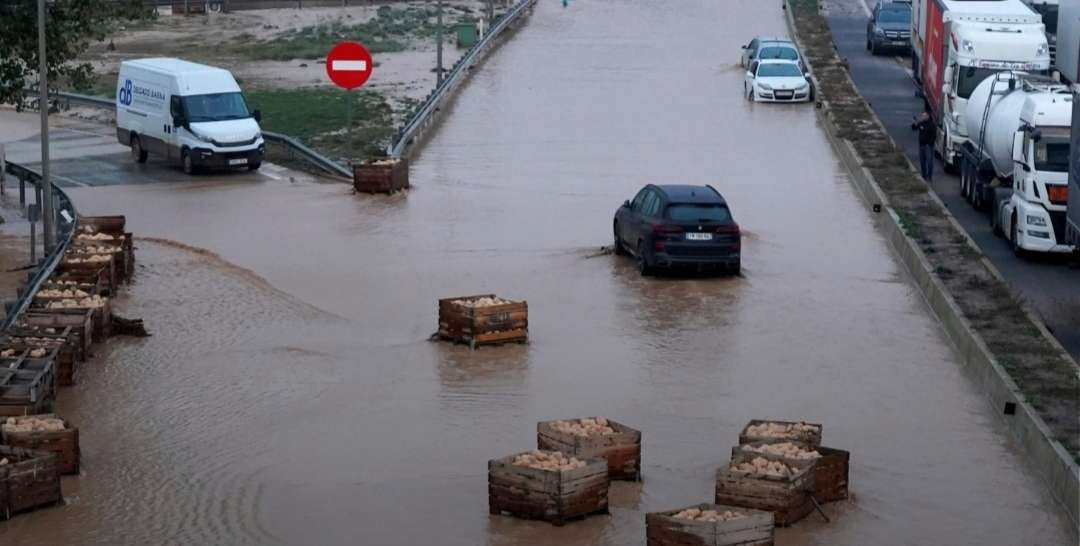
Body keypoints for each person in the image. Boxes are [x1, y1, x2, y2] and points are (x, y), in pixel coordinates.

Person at [911, 110, 936, 182]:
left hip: (928, 146)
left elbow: (934, 135)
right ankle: (924, 176)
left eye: (924, 116)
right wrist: (914, 123)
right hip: (921, 145)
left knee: (929, 162)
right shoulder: (921, 123)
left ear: (928, 116)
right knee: (922, 162)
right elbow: (914, 128)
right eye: (922, 116)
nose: (923, 117)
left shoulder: (931, 125)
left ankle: (929, 176)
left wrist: (930, 143)